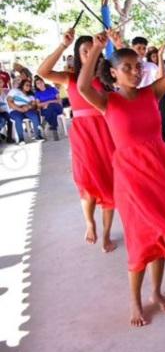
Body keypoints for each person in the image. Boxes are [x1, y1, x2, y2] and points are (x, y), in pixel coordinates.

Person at [78, 10, 165, 327]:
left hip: (160, 170)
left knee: (160, 233)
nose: (134, 72)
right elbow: (81, 87)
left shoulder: (152, 92)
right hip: (131, 177)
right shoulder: (107, 102)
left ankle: (156, 293)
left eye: (136, 67)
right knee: (140, 237)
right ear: (114, 74)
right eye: (126, 68)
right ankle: (135, 300)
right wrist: (94, 50)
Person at [38, 29, 117, 252]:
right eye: (85, 51)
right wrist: (62, 45)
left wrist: (117, 43)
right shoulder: (70, 78)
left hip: (106, 133)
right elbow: (42, 71)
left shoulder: (106, 78)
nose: (89, 54)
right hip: (83, 135)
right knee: (87, 182)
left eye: (93, 51)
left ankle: (107, 235)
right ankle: (90, 223)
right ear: (78, 54)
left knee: (110, 185)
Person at [7, 78, 44, 144]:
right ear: (22, 85)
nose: (28, 87)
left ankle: (38, 136)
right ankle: (21, 139)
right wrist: (20, 109)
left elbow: (34, 105)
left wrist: (28, 107)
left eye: (30, 86)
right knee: (18, 119)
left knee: (34, 116)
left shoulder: (31, 96)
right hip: (15, 109)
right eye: (27, 85)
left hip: (27, 109)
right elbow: (9, 102)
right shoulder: (14, 91)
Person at [33, 75, 63, 141]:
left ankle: (44, 123)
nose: (40, 84)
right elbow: (38, 105)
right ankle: (54, 130)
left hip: (58, 108)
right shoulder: (37, 93)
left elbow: (59, 100)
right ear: (36, 86)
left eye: (41, 82)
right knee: (52, 112)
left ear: (43, 82)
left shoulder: (52, 89)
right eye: (37, 83)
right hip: (46, 110)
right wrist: (50, 103)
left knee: (51, 107)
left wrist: (48, 102)